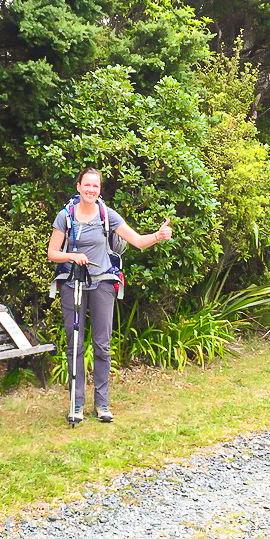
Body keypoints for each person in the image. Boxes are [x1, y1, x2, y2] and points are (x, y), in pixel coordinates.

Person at [47, 168, 173, 423]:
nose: (91, 190)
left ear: (99, 189)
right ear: (79, 187)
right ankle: (76, 404)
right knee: (75, 346)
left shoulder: (107, 215)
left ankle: (102, 404)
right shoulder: (66, 216)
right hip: (73, 284)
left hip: (103, 282)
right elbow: (52, 253)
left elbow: (137, 241)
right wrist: (73, 256)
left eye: (95, 186)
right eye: (87, 185)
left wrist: (158, 236)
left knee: (102, 345)